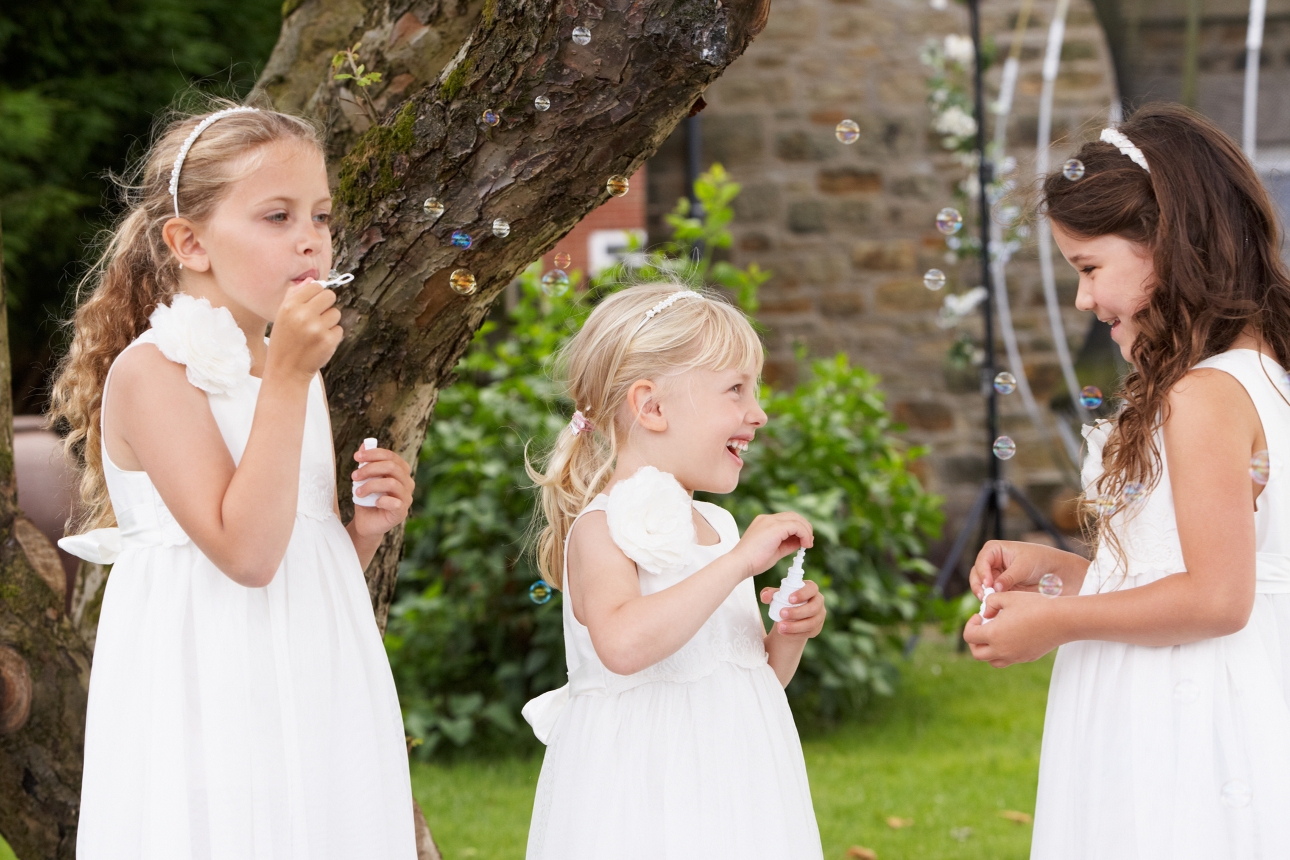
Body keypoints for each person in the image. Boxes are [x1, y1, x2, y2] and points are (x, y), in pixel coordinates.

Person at [51, 102, 418, 858]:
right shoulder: (154, 374)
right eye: (276, 216)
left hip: (311, 680)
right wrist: (286, 377)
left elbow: (291, 565)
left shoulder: (290, 374)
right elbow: (245, 555)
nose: (310, 239)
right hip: (204, 691)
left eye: (320, 216)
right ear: (189, 243)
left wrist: (358, 534)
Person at [965, 104, 1290, 858]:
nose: (1083, 300)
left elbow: (1216, 599)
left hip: (1185, 712)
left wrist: (1053, 624)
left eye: (1088, 269)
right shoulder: (1261, 373)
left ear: (1169, 244)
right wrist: (1062, 577)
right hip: (1213, 686)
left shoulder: (1204, 396)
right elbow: (1185, 573)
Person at [522, 283, 827, 859]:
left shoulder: (718, 524)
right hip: (645, 791)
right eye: (736, 389)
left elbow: (746, 680)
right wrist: (739, 564)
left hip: (736, 782)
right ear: (652, 407)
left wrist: (788, 636)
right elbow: (624, 643)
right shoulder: (601, 527)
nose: (757, 413)